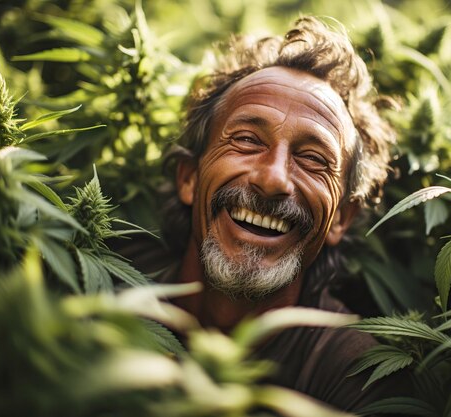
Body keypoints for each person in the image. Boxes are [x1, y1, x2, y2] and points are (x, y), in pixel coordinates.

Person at [127, 16, 405, 412]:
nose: (274, 179)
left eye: (312, 159)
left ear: (340, 219)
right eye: (246, 139)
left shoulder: (357, 376)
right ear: (188, 178)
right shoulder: (104, 284)